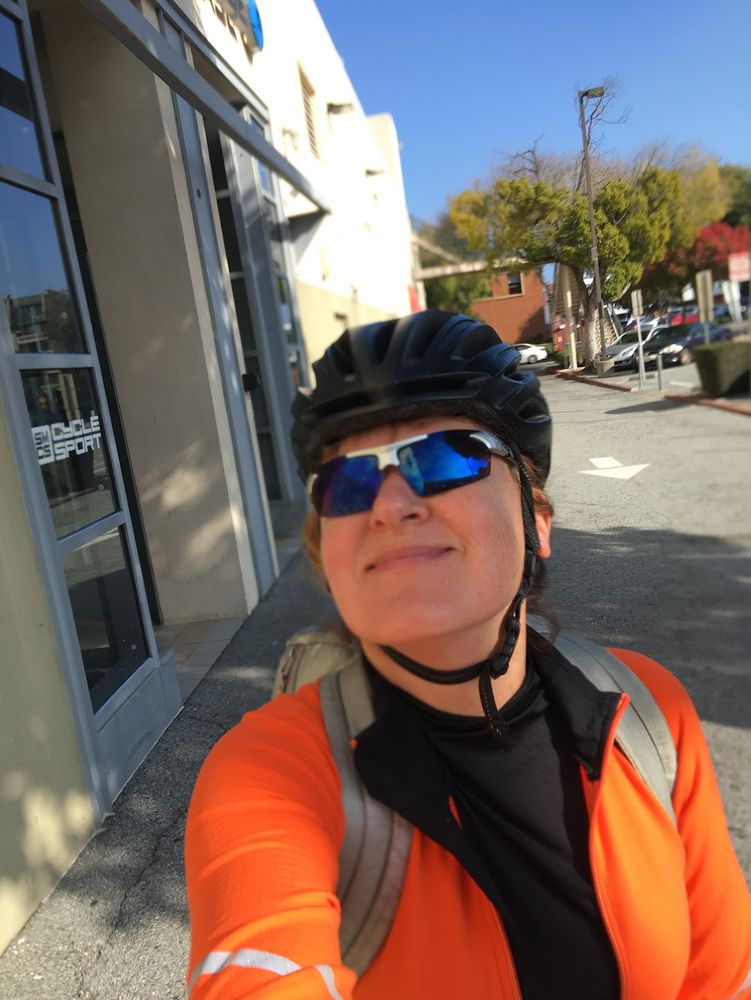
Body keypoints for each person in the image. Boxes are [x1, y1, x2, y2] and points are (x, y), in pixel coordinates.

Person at [185, 310, 751, 999]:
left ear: (535, 523)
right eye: (348, 484)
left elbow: (719, 980)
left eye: (446, 456)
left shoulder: (647, 710)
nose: (390, 505)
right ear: (325, 555)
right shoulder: (267, 774)